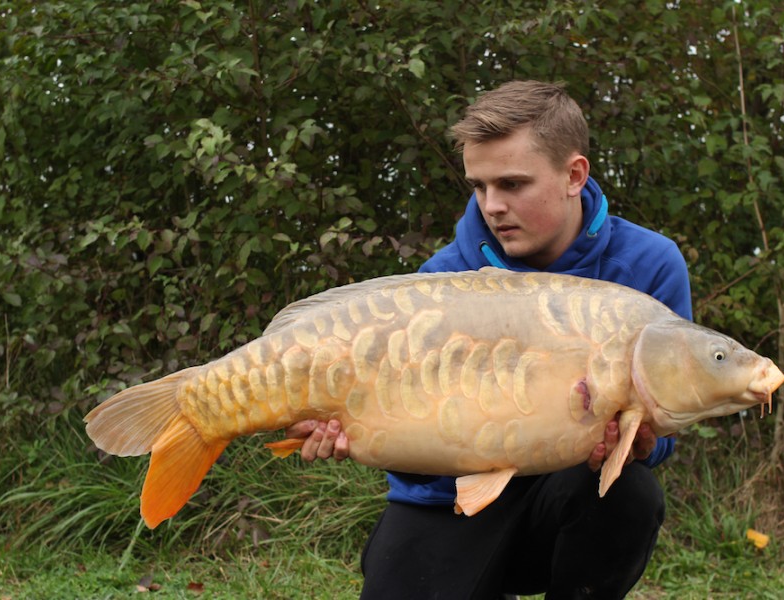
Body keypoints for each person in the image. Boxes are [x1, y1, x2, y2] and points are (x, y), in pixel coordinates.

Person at [285, 80, 692, 599]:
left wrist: (642, 445)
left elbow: (664, 429)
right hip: (445, 500)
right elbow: (411, 439)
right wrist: (356, 436)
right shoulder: (444, 280)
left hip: (562, 498)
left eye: (512, 184)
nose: (492, 205)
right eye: (479, 186)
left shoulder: (647, 266)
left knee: (627, 493)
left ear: (574, 174)